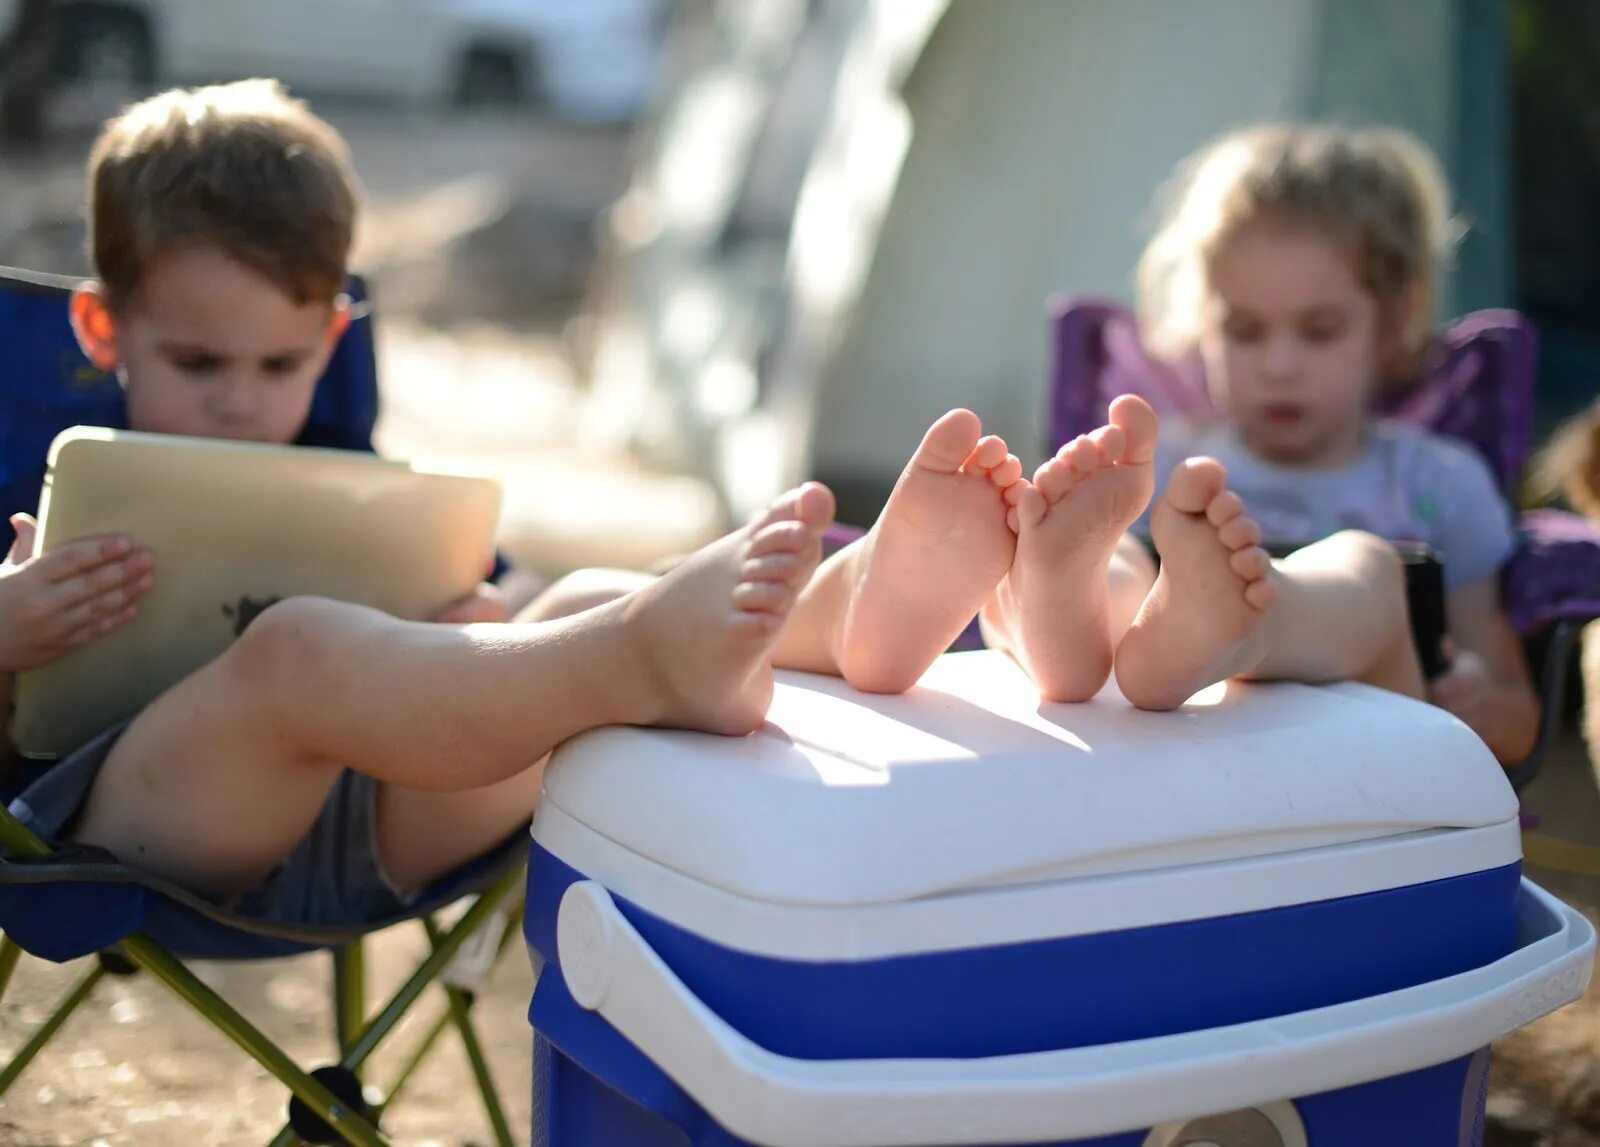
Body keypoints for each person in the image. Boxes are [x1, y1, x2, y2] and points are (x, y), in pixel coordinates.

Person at [1, 80, 1047, 926]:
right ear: (103, 332)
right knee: (299, 646)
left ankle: (842, 613)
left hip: (376, 828)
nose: (240, 400)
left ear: (330, 338)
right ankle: (648, 651)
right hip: (134, 841)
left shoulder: (333, 472)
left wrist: (468, 632)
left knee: (571, 597)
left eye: (281, 363)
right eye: (196, 362)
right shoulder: (50, 476)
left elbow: (471, 618)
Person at [978, 124, 1539, 766]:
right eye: (1244, 331)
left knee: (1369, 567)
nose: (1279, 365)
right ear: (1202, 323)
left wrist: (1475, 700)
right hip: (1175, 774)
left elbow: (1518, 721)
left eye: (1320, 331)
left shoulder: (1438, 485)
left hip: (1365, 783)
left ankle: (1251, 628)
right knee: (1125, 564)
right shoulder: (1154, 468)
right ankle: (1060, 622)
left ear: (1393, 322)